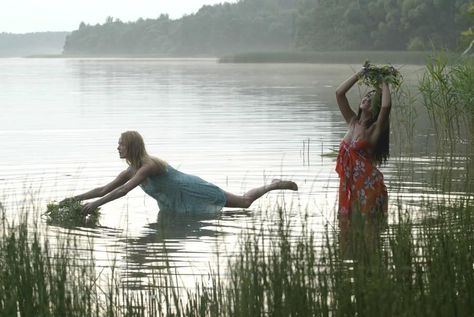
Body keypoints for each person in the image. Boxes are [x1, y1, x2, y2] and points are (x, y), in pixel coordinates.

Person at [72, 131, 298, 215]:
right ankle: (272, 184)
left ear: (131, 146)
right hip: (176, 200)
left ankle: (272, 184)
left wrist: (96, 205)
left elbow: (124, 190)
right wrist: (75, 199)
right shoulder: (130, 169)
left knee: (245, 203)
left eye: (121, 144)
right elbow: (104, 189)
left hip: (193, 189)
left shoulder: (148, 165)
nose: (117, 148)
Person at [334, 67, 390, 218]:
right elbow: (339, 94)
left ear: (375, 108)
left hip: (368, 187)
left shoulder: (374, 130)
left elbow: (386, 107)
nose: (367, 98)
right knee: (347, 227)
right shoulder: (352, 122)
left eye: (372, 99)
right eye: (367, 96)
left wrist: (385, 81)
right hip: (349, 187)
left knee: (368, 230)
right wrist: (361, 73)